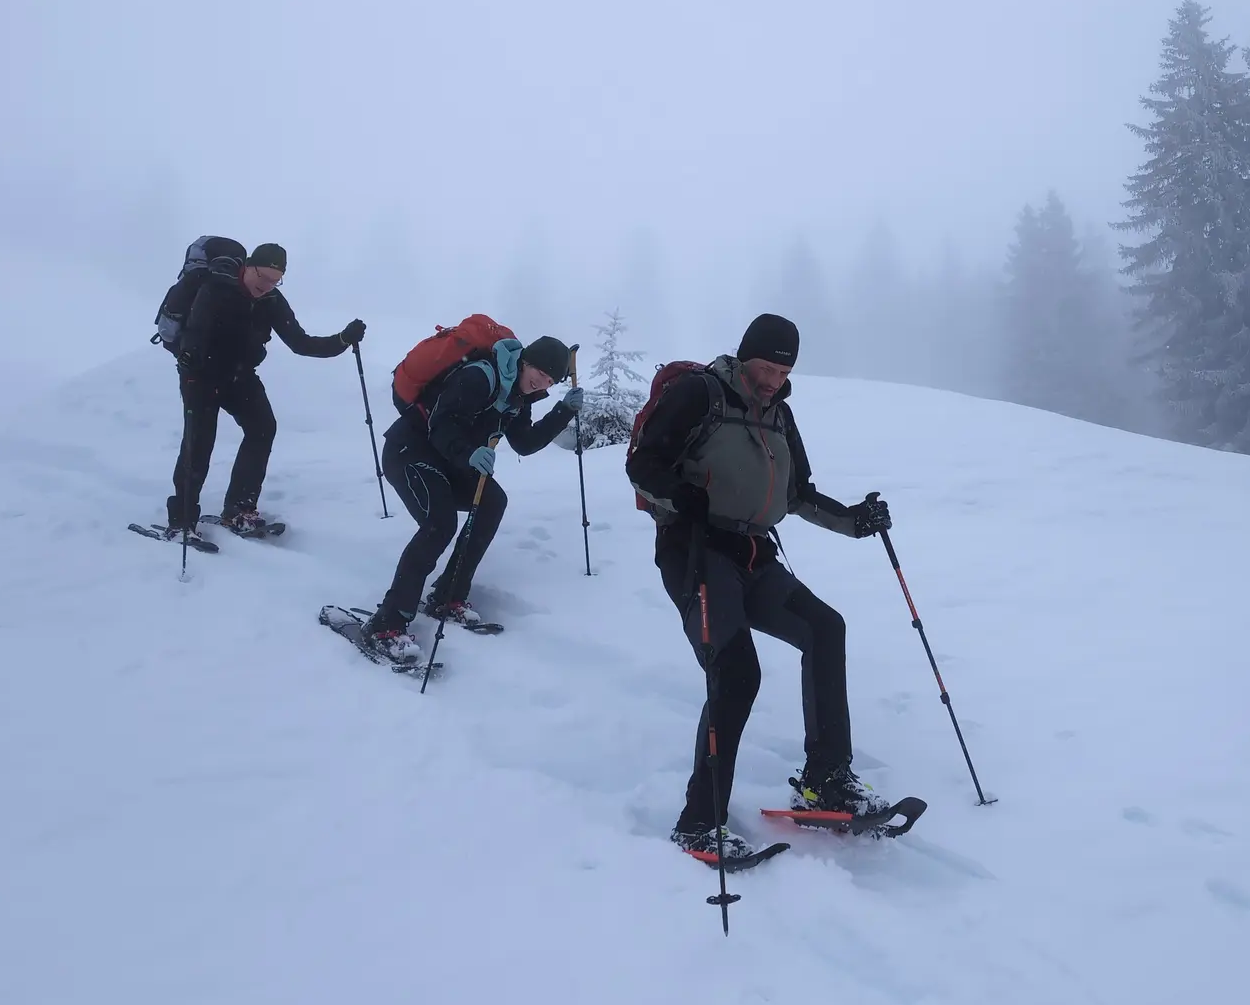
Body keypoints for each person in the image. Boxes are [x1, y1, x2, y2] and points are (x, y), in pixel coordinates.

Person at [625, 312, 894, 862]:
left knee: (824, 627)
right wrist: (683, 494)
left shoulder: (780, 416)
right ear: (745, 356)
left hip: (753, 552)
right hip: (696, 550)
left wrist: (854, 520)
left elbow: (797, 494)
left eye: (783, 369)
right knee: (736, 669)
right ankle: (700, 820)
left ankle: (826, 778)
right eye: (767, 366)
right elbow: (642, 463)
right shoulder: (700, 394)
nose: (774, 378)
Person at [361, 333, 583, 661]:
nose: (541, 383)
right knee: (439, 523)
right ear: (525, 361)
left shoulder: (516, 397)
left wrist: (562, 411)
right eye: (540, 372)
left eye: (550, 380)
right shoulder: (480, 376)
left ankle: (448, 595)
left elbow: (524, 442)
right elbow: (441, 424)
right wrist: (468, 453)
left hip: (449, 460)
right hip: (410, 451)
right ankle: (386, 624)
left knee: (493, 502)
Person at [167, 242, 364, 539]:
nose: (267, 285)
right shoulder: (215, 288)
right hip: (201, 375)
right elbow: (194, 332)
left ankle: (240, 510)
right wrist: (190, 357)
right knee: (199, 441)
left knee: (262, 428)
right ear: (248, 266)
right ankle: (181, 520)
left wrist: (343, 339)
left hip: (240, 376)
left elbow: (301, 343)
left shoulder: (272, 300)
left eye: (275, 280)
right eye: (263, 277)